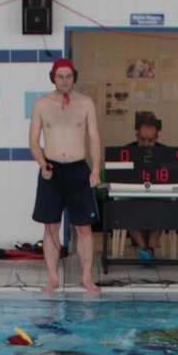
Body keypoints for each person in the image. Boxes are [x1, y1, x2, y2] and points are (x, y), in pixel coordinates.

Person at [28, 57, 103, 294]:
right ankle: (53, 278)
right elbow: (33, 140)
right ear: (53, 78)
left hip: (78, 169)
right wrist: (42, 164)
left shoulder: (86, 103)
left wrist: (95, 169)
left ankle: (87, 277)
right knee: (51, 228)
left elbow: (94, 138)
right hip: (51, 170)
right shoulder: (41, 104)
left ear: (74, 77)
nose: (64, 80)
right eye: (60, 76)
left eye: (68, 76)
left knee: (84, 228)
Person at [124, 112, 170, 258]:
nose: (146, 144)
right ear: (137, 136)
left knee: (164, 204)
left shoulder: (164, 152)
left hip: (156, 197)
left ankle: (148, 249)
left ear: (156, 138)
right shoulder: (126, 151)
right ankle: (147, 250)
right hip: (133, 196)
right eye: (142, 139)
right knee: (124, 205)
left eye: (150, 140)